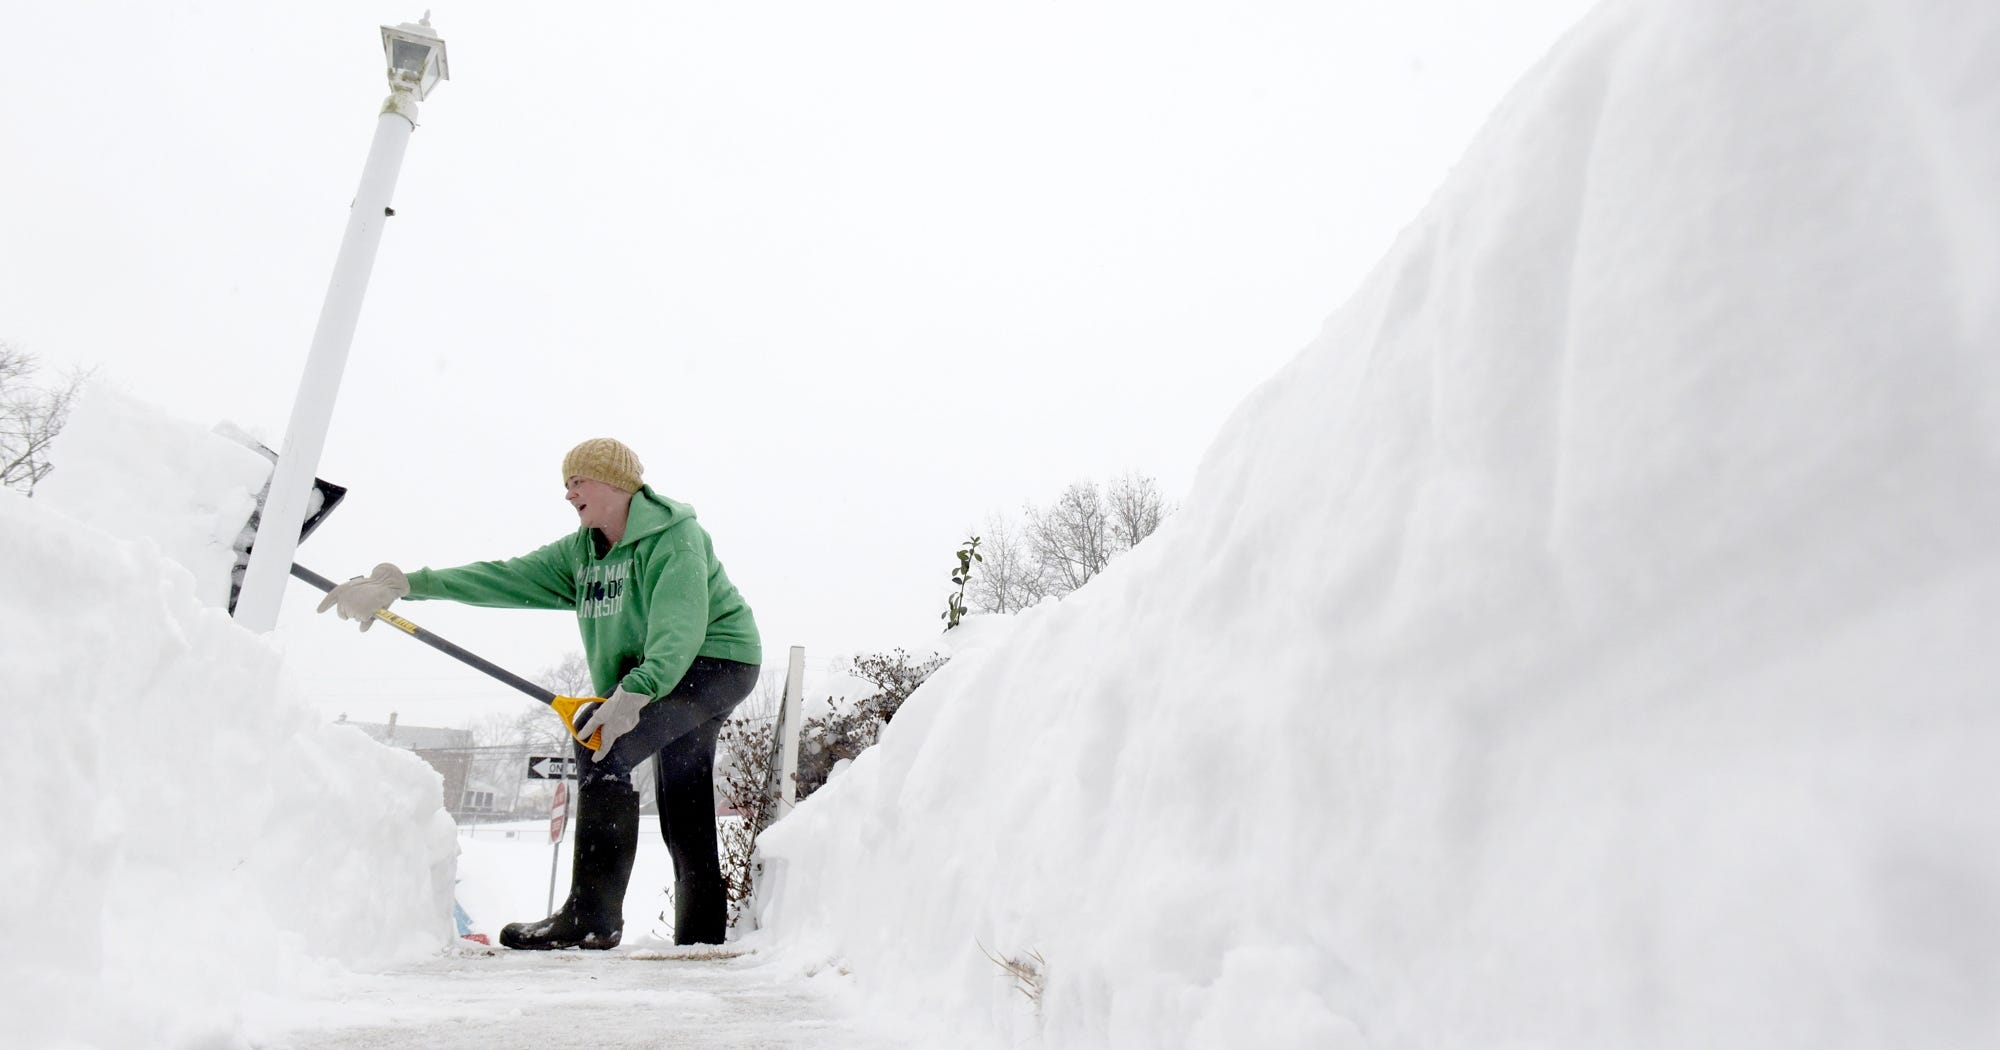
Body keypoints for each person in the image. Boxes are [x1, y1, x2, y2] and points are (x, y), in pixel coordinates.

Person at [317, 437, 762, 950]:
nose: (569, 494)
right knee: (681, 793)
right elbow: (503, 577)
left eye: (578, 482)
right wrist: (406, 585)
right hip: (664, 670)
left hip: (717, 661)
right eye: (566, 484)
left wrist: (633, 694)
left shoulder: (675, 537)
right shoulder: (581, 553)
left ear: (617, 483)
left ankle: (592, 917)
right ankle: (701, 938)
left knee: (604, 743)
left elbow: (679, 626)